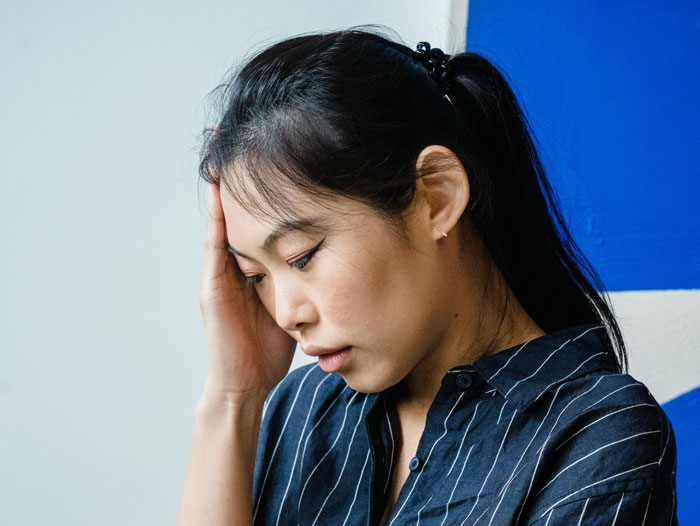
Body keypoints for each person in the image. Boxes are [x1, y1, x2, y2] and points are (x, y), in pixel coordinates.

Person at [176, 26, 678, 525]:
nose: (287, 314)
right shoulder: (302, 410)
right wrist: (232, 399)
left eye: (302, 256)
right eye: (254, 275)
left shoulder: (598, 438)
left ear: (437, 197)